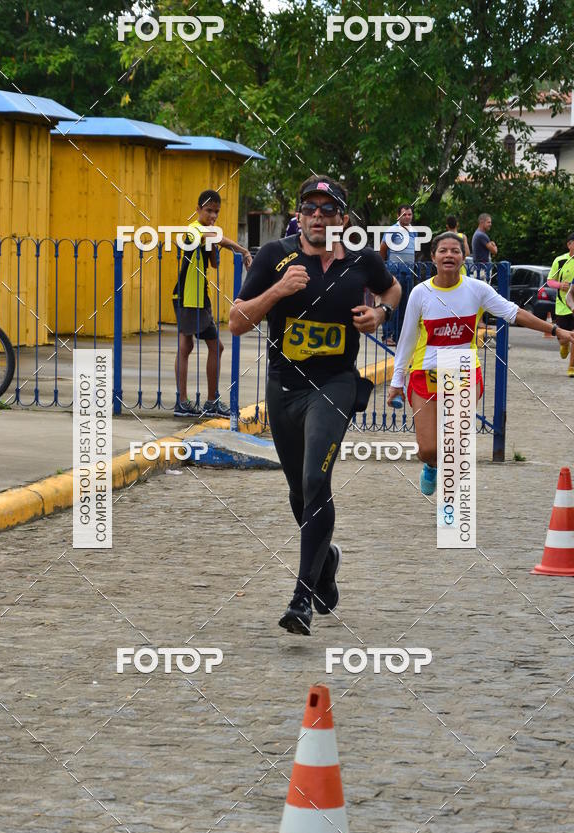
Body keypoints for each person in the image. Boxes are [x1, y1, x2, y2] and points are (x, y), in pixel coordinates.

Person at [229, 175, 401, 635]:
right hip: (284, 388)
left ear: (343, 218)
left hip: (335, 385)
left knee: (315, 479)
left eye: (328, 210)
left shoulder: (363, 260)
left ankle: (301, 598)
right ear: (299, 215)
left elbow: (392, 290)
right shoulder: (275, 256)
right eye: (310, 208)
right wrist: (278, 291)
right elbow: (235, 322)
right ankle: (325, 564)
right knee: (299, 493)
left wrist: (380, 314)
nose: (318, 217)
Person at [387, 231, 574, 495]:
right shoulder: (421, 292)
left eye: (455, 251)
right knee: (428, 449)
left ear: (464, 257)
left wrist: (555, 330)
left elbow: (514, 313)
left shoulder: (477, 289)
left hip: (462, 370)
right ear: (433, 257)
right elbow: (407, 338)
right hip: (425, 373)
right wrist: (397, 381)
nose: (449, 255)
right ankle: (431, 465)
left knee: (454, 443)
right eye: (443, 251)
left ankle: (452, 498)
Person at [174, 189, 252, 417]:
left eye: (216, 212)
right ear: (198, 209)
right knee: (210, 347)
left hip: (198, 297)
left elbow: (214, 263)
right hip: (190, 298)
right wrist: (242, 250)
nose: (213, 216)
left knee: (190, 347)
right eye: (209, 211)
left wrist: (212, 246)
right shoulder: (193, 229)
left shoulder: (206, 234)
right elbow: (217, 239)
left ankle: (194, 402)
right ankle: (201, 401)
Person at [380, 203, 417, 345]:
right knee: (392, 303)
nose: (407, 217)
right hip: (395, 271)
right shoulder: (393, 230)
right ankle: (387, 335)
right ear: (398, 216)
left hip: (409, 271)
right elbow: (383, 249)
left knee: (405, 305)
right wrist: (384, 268)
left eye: (409, 214)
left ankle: (399, 335)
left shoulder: (413, 231)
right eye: (404, 214)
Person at [548, 231, 574, 377]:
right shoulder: (560, 260)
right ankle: (564, 345)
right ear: (569, 244)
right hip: (563, 305)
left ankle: (572, 366)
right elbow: (550, 281)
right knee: (564, 338)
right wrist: (560, 285)